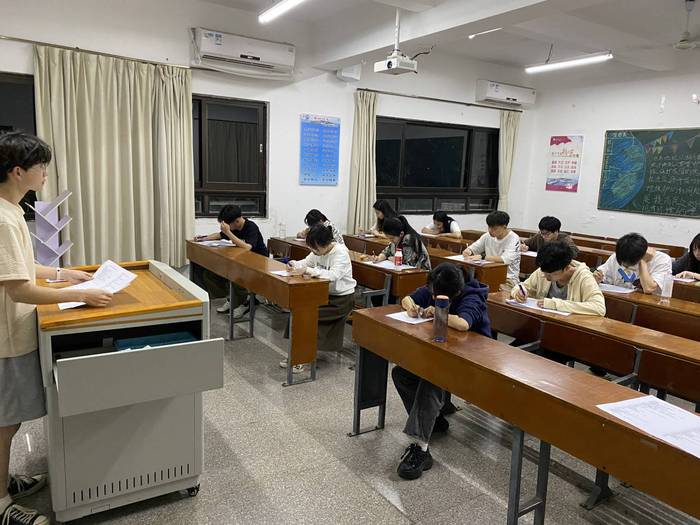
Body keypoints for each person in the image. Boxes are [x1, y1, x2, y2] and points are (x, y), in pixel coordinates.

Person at [0, 132, 113, 525]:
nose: (45, 174)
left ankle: (5, 481)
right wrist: (81, 294)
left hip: (14, 331)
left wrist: (64, 275)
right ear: (18, 171)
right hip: (6, 338)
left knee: (9, 419)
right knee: (5, 422)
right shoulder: (3, 218)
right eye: (41, 167)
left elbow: (23, 266)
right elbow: (18, 289)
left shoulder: (13, 210)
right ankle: (1, 504)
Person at [394, 263, 491, 480]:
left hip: (474, 362)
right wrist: (411, 306)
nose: (432, 296)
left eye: (437, 296)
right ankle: (435, 420)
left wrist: (439, 310)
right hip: (444, 354)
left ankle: (420, 448)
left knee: (432, 379)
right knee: (401, 374)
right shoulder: (439, 284)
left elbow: (464, 323)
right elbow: (408, 298)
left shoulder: (472, 295)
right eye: (432, 293)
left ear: (456, 293)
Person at [283, 224, 357, 372]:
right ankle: (298, 355)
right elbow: (305, 263)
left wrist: (308, 270)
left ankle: (302, 358)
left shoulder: (340, 253)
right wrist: (293, 264)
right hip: (321, 295)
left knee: (306, 316)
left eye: (314, 248)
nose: (313, 251)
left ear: (324, 243)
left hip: (341, 300)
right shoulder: (317, 251)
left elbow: (333, 275)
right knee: (297, 312)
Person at [192, 205, 269, 315]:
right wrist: (203, 238)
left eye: (228, 225)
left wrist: (229, 232)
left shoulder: (251, 227)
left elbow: (248, 247)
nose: (226, 228)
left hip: (258, 263)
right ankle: (233, 298)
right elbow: (219, 235)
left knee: (235, 276)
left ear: (236, 221)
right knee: (210, 273)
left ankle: (245, 302)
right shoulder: (234, 227)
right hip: (242, 261)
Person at [511, 241, 605, 315]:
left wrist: (555, 304)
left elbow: (599, 308)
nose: (545, 276)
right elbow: (522, 286)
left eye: (551, 274)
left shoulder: (584, 277)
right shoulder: (545, 269)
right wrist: (518, 293)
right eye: (544, 272)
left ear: (567, 268)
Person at [594, 233, 672, 295]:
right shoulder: (619, 254)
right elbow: (602, 278)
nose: (625, 265)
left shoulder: (662, 259)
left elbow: (649, 289)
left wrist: (643, 262)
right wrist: (596, 279)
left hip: (647, 305)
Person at [462, 211, 521, 289]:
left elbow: (505, 259)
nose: (490, 230)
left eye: (494, 228)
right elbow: (474, 248)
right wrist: (468, 251)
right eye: (489, 227)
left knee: (491, 289)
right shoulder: (487, 236)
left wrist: (483, 257)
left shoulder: (513, 238)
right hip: (488, 274)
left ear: (504, 227)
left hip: (507, 278)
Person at [363, 216, 431, 270]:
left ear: (401, 234)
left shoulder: (409, 239)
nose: (390, 240)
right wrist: (379, 258)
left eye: (392, 238)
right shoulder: (396, 238)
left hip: (420, 272)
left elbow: (408, 262)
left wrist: (392, 258)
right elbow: (386, 252)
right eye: (389, 238)